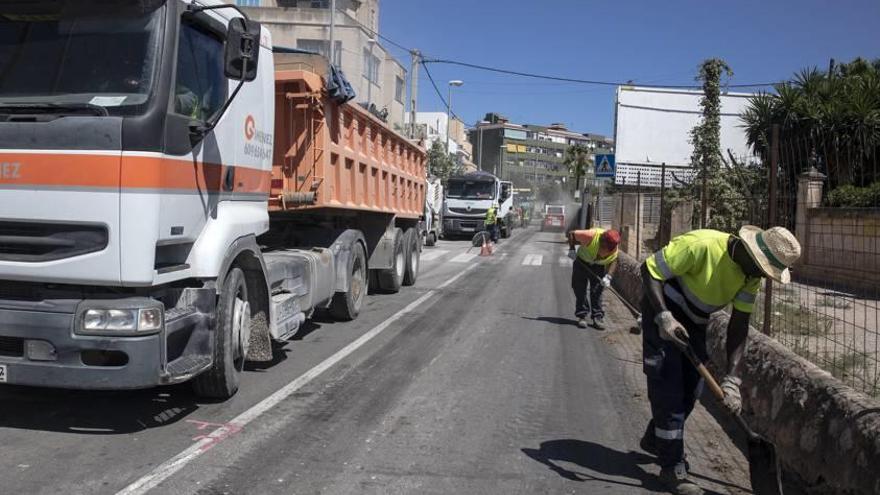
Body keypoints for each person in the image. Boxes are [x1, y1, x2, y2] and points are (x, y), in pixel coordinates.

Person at [639, 226, 801, 495]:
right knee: (669, 389)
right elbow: (649, 270)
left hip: (696, 322)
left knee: (691, 391)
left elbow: (739, 325)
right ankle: (672, 468)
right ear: (750, 252)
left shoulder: (751, 276)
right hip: (663, 310)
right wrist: (665, 317)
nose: (761, 276)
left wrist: (732, 379)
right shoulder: (701, 245)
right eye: (761, 269)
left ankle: (657, 439)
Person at [567, 228, 620, 329]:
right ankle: (582, 316)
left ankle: (597, 317)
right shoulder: (590, 236)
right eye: (605, 248)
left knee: (597, 290)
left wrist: (608, 276)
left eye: (610, 249)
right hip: (582, 262)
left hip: (598, 266)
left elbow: (614, 260)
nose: (607, 251)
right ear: (601, 241)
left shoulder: (613, 246)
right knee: (579, 288)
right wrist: (572, 249)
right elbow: (571, 234)